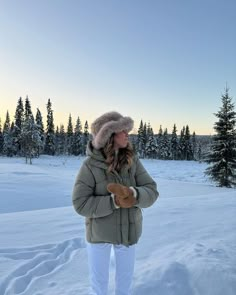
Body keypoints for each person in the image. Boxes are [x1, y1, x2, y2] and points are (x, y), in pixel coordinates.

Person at [72, 111, 159, 295]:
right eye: (123, 130)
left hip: (128, 232)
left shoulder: (132, 160)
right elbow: (80, 203)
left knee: (124, 285)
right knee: (99, 286)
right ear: (109, 135)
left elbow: (151, 190)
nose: (128, 133)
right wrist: (114, 202)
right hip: (99, 235)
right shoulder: (90, 165)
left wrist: (134, 194)